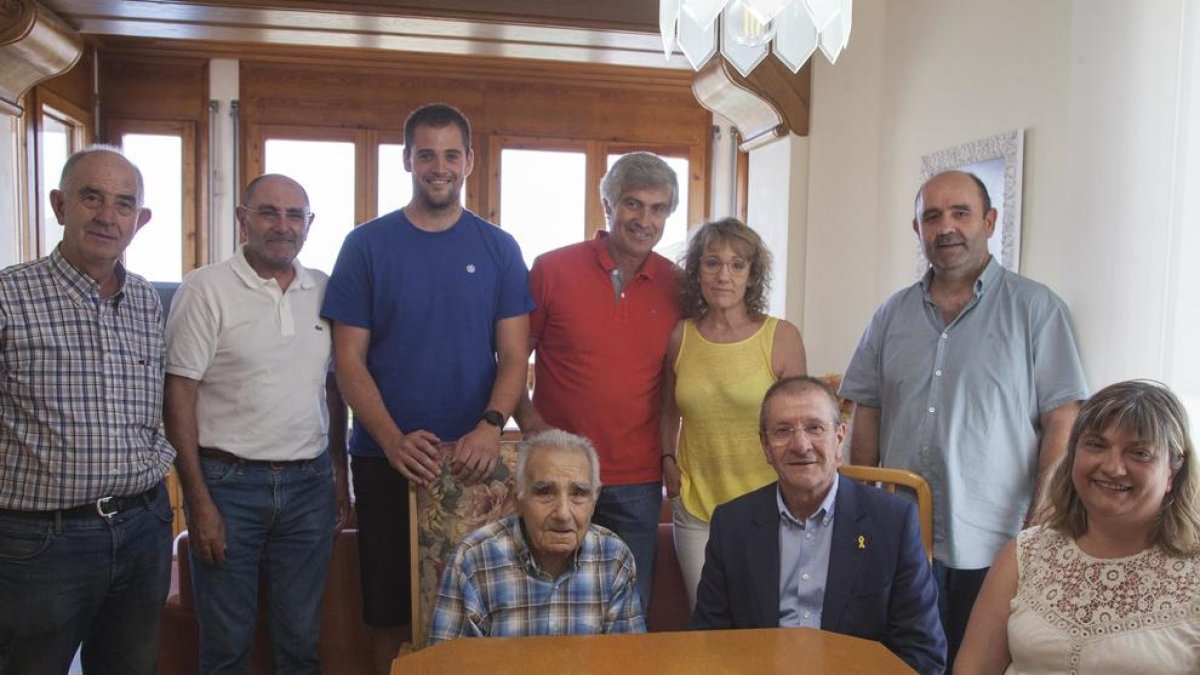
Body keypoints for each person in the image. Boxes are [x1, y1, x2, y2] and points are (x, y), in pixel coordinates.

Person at [839, 170, 1088, 667]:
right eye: (932, 217)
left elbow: (1063, 418)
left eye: (961, 213)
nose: (946, 227)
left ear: (989, 221)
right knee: (898, 662)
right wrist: (860, 507)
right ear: (918, 229)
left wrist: (1041, 518)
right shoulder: (890, 315)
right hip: (903, 537)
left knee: (976, 665)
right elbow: (867, 410)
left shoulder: (1036, 309)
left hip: (995, 538)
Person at [322, 103, 533, 674]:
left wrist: (490, 426)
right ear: (406, 160)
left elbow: (515, 356)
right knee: (390, 615)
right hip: (388, 460)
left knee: (486, 611)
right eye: (426, 155)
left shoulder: (499, 247)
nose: (439, 167)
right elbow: (348, 360)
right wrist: (391, 440)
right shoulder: (365, 245)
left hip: (476, 464)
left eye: (450, 155)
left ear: (469, 161)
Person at [163, 174, 350, 674]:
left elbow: (335, 388)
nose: (283, 226)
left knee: (301, 641)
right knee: (226, 645)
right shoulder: (205, 289)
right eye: (269, 212)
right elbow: (178, 396)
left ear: (309, 224)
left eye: (295, 215)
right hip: (228, 487)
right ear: (242, 219)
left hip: (309, 486)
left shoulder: (323, 289)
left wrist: (339, 472)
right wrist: (197, 501)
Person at [0, 146, 175, 674]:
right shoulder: (10, 296)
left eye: (124, 204)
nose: (107, 216)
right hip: (43, 540)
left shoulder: (147, 300)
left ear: (140, 220)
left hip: (143, 527)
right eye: (91, 197)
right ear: (60, 205)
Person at [515, 152, 682, 611]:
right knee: (545, 605)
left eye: (658, 208)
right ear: (608, 204)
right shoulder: (551, 269)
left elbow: (673, 389)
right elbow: (511, 358)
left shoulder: (678, 284)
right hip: (556, 475)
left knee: (626, 608)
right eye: (633, 204)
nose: (644, 220)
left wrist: (669, 454)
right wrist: (530, 424)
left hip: (637, 480)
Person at [689, 376, 946, 674]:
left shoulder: (892, 523)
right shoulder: (732, 524)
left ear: (839, 438)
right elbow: (710, 641)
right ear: (766, 446)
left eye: (815, 428)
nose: (801, 445)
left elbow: (922, 653)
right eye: (783, 431)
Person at [956, 380, 1200, 674]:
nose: (1112, 467)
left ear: (1173, 472)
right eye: (1097, 445)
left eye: (1139, 453)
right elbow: (973, 669)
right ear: (1073, 455)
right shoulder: (1025, 554)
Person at [660, 217, 806, 607]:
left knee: (764, 615)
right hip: (696, 504)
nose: (724, 275)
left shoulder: (781, 337)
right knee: (706, 615)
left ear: (752, 275)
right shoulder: (681, 336)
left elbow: (800, 424)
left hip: (768, 504)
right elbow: (667, 410)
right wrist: (668, 460)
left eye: (737, 265)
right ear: (697, 272)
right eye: (712, 263)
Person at [428, 430, 645, 643]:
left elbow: (627, 657)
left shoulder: (614, 557)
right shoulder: (474, 560)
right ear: (517, 499)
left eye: (579, 493)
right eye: (544, 492)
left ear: (594, 500)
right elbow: (448, 660)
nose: (562, 514)